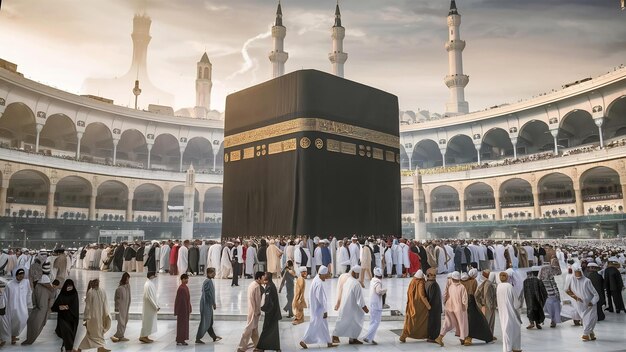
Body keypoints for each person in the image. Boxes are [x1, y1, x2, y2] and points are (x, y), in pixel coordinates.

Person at [300, 266, 335, 349]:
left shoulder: (316, 279)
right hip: (319, 309)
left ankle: (329, 342)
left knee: (324, 325)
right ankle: (303, 340)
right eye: (326, 275)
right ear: (322, 274)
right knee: (314, 325)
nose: (326, 277)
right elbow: (321, 299)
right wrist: (325, 311)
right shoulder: (319, 284)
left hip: (316, 308)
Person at [332, 266, 369, 345]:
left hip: (347, 306)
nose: (358, 275)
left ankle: (353, 339)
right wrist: (365, 308)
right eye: (357, 273)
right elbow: (360, 299)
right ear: (353, 272)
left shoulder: (348, 280)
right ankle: (335, 336)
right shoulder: (356, 283)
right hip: (353, 307)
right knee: (354, 322)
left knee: (348, 322)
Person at [434, 271, 468, 347]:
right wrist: (465, 307)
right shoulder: (462, 287)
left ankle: (440, 337)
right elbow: (464, 299)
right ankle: (462, 339)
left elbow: (445, 295)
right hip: (459, 308)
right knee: (461, 323)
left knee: (448, 323)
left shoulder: (450, 286)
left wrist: (444, 304)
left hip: (449, 307)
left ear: (452, 278)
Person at [566, 265, 600, 342]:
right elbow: (567, 290)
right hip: (580, 304)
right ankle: (588, 333)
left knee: (592, 319)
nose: (577, 274)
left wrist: (592, 302)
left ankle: (586, 333)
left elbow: (596, 294)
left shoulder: (587, 281)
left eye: (579, 272)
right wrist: (575, 298)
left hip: (590, 304)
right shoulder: (572, 280)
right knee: (585, 319)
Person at [78, 279, 111, 352]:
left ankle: (100, 348)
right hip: (93, 318)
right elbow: (88, 306)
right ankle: (80, 348)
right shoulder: (91, 292)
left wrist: (106, 313)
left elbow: (105, 302)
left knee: (99, 333)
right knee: (92, 334)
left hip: (99, 316)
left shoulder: (101, 291)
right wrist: (86, 318)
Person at [22, 274, 55, 345]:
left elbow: (33, 298)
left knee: (32, 323)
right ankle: (30, 340)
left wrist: (36, 305)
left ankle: (29, 340)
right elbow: (51, 302)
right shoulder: (51, 289)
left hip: (39, 309)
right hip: (43, 310)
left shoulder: (37, 286)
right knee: (37, 325)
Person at [400, 269, 430, 343]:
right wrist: (428, 305)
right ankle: (424, 335)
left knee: (409, 320)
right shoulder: (420, 282)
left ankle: (404, 335)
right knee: (420, 320)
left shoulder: (413, 281)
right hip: (419, 305)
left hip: (411, 303)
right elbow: (422, 295)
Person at [237, 271, 264, 352]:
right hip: (254, 311)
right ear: (259, 278)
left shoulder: (252, 284)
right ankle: (241, 348)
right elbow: (257, 301)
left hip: (251, 309)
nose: (264, 280)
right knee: (248, 330)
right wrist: (258, 311)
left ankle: (257, 346)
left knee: (254, 330)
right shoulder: (256, 287)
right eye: (263, 278)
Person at [496, 271, 522, 352]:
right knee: (515, 330)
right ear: (507, 278)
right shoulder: (509, 286)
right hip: (512, 313)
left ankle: (508, 348)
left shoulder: (498, 286)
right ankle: (515, 348)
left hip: (502, 312)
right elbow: (516, 304)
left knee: (506, 331)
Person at [256, 272, 282, 351]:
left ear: (267, 278)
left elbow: (268, 301)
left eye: (264, 276)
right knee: (273, 331)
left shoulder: (270, 287)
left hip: (271, 313)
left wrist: (263, 308)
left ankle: (261, 347)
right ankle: (276, 347)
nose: (263, 277)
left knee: (266, 329)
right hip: (273, 312)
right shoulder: (270, 285)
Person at [51, 279, 79, 352]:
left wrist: (65, 307)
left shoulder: (74, 294)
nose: (69, 288)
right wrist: (61, 307)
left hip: (72, 319)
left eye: (70, 286)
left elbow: (75, 307)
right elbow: (55, 306)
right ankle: (68, 349)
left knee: (70, 334)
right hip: (63, 318)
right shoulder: (62, 294)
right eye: (68, 286)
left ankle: (68, 348)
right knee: (66, 333)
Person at [196, 267, 222, 344]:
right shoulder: (208, 282)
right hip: (206, 304)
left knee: (209, 322)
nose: (214, 274)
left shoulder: (208, 281)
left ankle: (214, 336)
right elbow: (208, 295)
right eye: (213, 273)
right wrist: (213, 303)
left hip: (207, 304)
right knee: (205, 321)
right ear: (209, 273)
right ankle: (198, 338)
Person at [6, 268, 30, 345]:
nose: (21, 277)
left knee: (23, 319)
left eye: (23, 275)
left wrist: (29, 303)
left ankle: (14, 335)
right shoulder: (9, 284)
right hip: (13, 307)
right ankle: (13, 337)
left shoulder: (26, 282)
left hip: (23, 306)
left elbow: (29, 293)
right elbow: (6, 296)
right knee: (14, 321)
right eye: (20, 275)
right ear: (16, 275)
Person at [363, 267, 386, 344]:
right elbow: (378, 291)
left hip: (372, 303)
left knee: (373, 321)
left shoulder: (373, 280)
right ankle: (367, 336)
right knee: (376, 322)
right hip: (376, 305)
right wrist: (385, 290)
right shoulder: (378, 282)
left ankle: (370, 338)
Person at [539, 258, 562, 328]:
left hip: (547, 297)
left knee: (549, 310)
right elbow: (555, 287)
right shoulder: (551, 278)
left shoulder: (541, 280)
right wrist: (558, 296)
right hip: (552, 296)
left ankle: (552, 320)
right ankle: (553, 321)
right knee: (554, 310)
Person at [475, 270, 497, 337]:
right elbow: (487, 296)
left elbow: (476, 294)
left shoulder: (486, 282)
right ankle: (488, 336)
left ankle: (490, 335)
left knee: (490, 321)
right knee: (489, 321)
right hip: (489, 306)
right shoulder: (488, 284)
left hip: (488, 305)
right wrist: (489, 306)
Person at [140, 272, 160, 343]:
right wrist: (155, 306)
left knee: (149, 322)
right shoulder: (148, 285)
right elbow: (149, 297)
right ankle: (143, 336)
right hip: (149, 307)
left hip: (150, 307)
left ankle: (145, 336)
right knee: (147, 322)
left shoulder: (150, 284)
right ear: (151, 276)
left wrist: (156, 305)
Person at [111, 272, 131, 343]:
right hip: (121, 308)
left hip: (126, 307)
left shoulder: (128, 287)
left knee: (125, 320)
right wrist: (116, 309)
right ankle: (119, 336)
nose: (128, 280)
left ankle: (119, 335)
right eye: (127, 279)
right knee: (121, 322)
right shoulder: (119, 289)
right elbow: (116, 299)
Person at [424, 268, 442, 343]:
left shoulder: (427, 283)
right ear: (428, 275)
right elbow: (434, 298)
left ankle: (431, 336)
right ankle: (433, 337)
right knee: (435, 323)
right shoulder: (433, 284)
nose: (434, 276)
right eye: (432, 275)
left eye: (435, 274)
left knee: (431, 322)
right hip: (435, 308)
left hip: (431, 308)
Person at [174, 274, 192, 346]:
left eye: (187, 279)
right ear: (182, 279)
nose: (187, 280)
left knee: (184, 325)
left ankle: (182, 339)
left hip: (185, 309)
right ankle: (180, 340)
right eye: (186, 279)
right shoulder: (181, 288)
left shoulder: (185, 287)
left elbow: (187, 300)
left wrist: (189, 307)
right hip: (182, 310)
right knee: (182, 325)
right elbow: (180, 301)